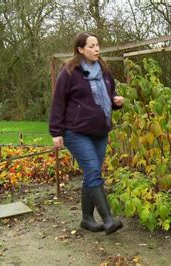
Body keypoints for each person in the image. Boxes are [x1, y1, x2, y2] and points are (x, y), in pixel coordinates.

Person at [49, 32, 123, 235]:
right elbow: (58, 102)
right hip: (76, 131)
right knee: (93, 172)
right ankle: (108, 220)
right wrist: (56, 131)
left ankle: (87, 219)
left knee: (92, 174)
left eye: (97, 45)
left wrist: (116, 101)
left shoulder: (104, 70)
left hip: (100, 130)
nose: (96, 49)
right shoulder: (70, 71)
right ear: (80, 49)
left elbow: (109, 94)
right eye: (91, 46)